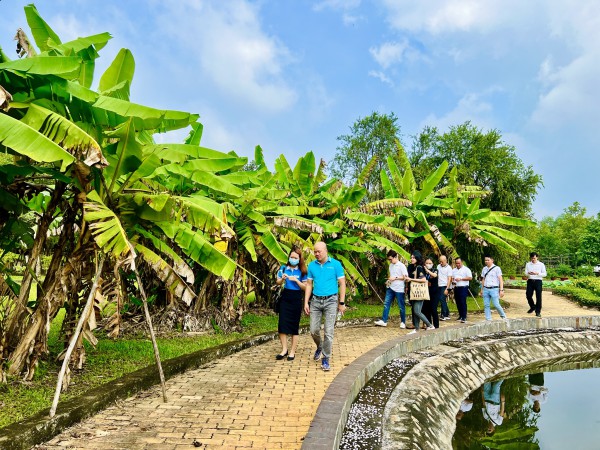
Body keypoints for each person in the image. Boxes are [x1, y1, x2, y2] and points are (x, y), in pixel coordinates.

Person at [304, 241, 346, 372]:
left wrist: (342, 303)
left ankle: (326, 358)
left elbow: (342, 284)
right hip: (316, 301)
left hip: (331, 301)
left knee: (329, 332)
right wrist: (306, 302)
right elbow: (309, 285)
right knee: (313, 330)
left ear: (325, 251)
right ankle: (320, 346)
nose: (316, 254)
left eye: (318, 251)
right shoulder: (311, 266)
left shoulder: (336, 265)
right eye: (315, 251)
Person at [275, 248, 307, 361]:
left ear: (299, 259)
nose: (293, 259)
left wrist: (296, 281)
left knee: (294, 325)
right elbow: (277, 282)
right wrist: (282, 279)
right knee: (282, 324)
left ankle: (292, 351)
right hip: (286, 297)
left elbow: (305, 287)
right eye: (291, 257)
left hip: (296, 298)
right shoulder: (284, 268)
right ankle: (284, 349)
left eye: (295, 258)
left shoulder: (302, 271)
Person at [375, 249, 409, 329]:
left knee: (401, 306)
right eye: (389, 259)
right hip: (390, 287)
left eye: (391, 259)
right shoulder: (391, 265)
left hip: (399, 289)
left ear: (395, 257)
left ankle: (403, 322)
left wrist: (395, 278)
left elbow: (406, 277)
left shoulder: (401, 266)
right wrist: (389, 280)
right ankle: (384, 320)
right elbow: (391, 276)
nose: (390, 261)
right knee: (386, 304)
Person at [405, 251, 435, 335]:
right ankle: (417, 329)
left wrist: (411, 279)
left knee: (417, 311)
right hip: (414, 292)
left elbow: (423, 279)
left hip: (419, 292)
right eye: (411, 257)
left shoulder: (419, 267)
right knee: (415, 311)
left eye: (414, 258)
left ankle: (429, 325)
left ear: (417, 258)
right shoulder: (413, 267)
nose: (412, 259)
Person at [480, 255, 507, 321]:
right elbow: (483, 279)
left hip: (494, 289)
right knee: (486, 305)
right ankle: (488, 318)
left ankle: (503, 316)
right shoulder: (484, 269)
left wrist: (501, 290)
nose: (486, 261)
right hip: (486, 289)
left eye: (488, 260)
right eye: (485, 260)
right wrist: (482, 289)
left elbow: (500, 279)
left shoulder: (497, 268)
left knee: (496, 304)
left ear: (492, 260)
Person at [525, 252, 546, 318]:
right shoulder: (528, 264)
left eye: (534, 258)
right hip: (530, 281)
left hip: (538, 281)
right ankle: (533, 307)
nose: (533, 259)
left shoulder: (541, 264)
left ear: (537, 257)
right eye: (531, 258)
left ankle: (538, 311)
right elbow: (525, 273)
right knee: (528, 295)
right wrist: (528, 273)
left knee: (538, 296)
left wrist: (537, 273)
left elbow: (545, 274)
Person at [452, 258, 472, 323]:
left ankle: (464, 316)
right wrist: (453, 281)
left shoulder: (466, 269)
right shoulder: (454, 270)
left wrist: (461, 279)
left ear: (462, 262)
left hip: (463, 287)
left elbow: (470, 277)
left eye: (459, 263)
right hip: (456, 287)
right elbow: (452, 278)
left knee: (462, 301)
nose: (458, 264)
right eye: (456, 263)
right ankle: (460, 315)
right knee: (458, 302)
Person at [423, 257, 439, 328]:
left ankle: (436, 326)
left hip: (434, 293)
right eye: (427, 263)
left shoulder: (435, 270)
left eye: (430, 263)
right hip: (426, 292)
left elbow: (434, 275)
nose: (428, 264)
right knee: (426, 309)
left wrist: (427, 270)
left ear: (432, 264)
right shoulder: (422, 271)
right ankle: (429, 325)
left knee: (433, 309)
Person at [436, 256, 453, 321]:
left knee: (442, 298)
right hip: (439, 285)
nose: (441, 263)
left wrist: (447, 288)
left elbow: (449, 279)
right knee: (442, 299)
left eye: (442, 262)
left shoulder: (449, 268)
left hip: (445, 285)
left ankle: (443, 314)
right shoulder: (438, 266)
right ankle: (447, 313)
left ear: (445, 261)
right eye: (440, 261)